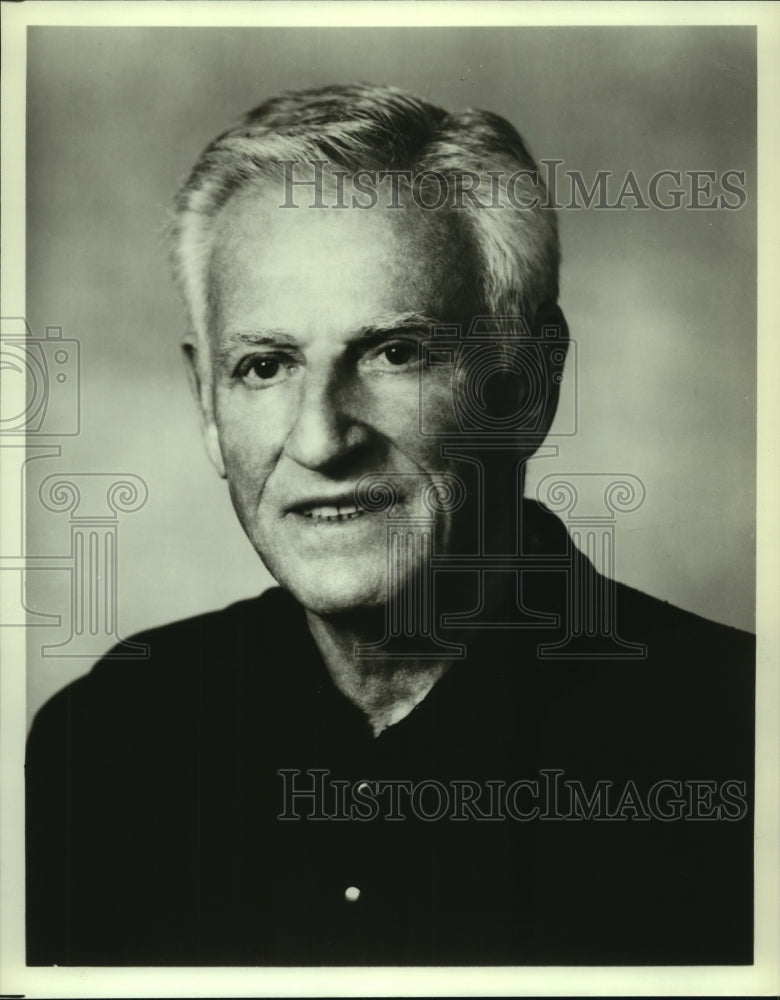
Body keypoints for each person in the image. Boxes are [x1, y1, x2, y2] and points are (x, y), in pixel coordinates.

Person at [26, 83, 754, 967]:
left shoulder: (741, 742)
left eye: (395, 353)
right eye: (265, 366)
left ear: (527, 384)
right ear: (208, 409)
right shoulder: (108, 743)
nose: (322, 438)